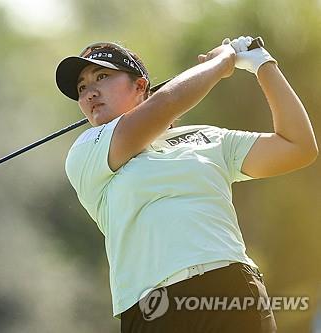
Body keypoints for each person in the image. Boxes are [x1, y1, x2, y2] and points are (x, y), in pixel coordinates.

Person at [55, 36, 318, 332]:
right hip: (152, 308)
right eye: (82, 87)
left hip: (230, 288)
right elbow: (167, 103)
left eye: (101, 77)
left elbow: (298, 147)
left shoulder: (208, 138)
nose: (90, 93)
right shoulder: (87, 150)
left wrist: (262, 64)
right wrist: (225, 60)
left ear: (140, 86)